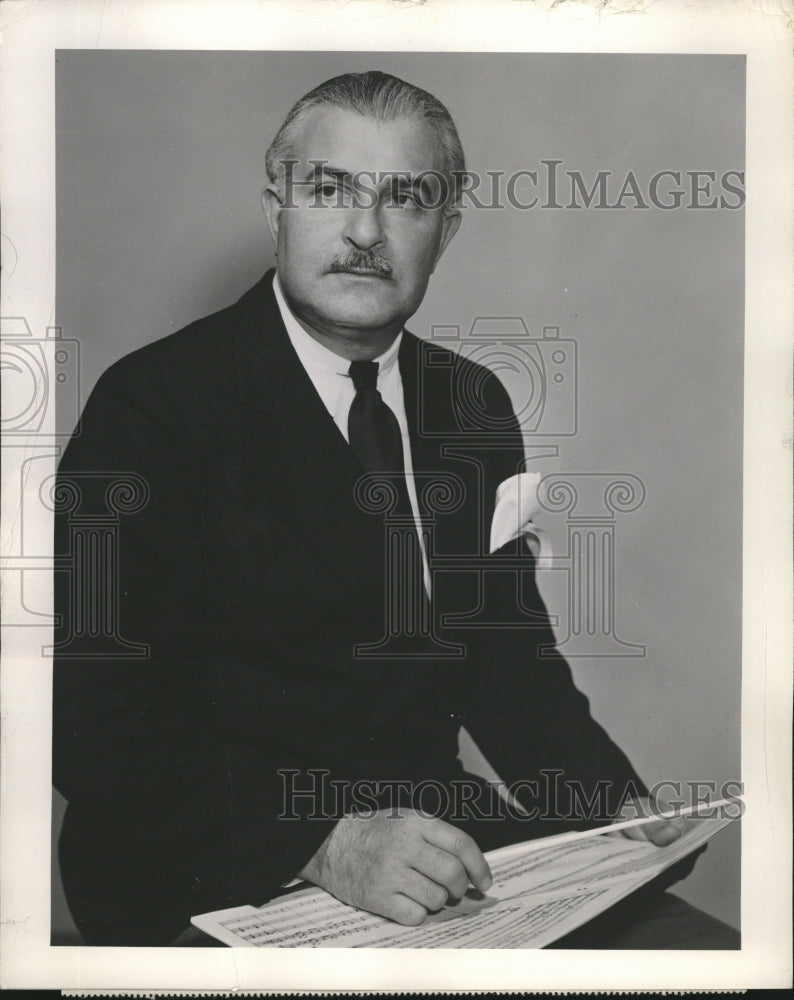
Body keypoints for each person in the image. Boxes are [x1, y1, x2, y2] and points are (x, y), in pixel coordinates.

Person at [52, 70, 738, 948]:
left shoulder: (471, 405)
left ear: (444, 231)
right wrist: (326, 844)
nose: (366, 232)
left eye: (405, 198)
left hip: (434, 840)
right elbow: (89, 713)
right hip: (210, 865)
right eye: (330, 189)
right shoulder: (152, 404)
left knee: (702, 957)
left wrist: (612, 806)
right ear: (276, 209)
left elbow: (508, 665)